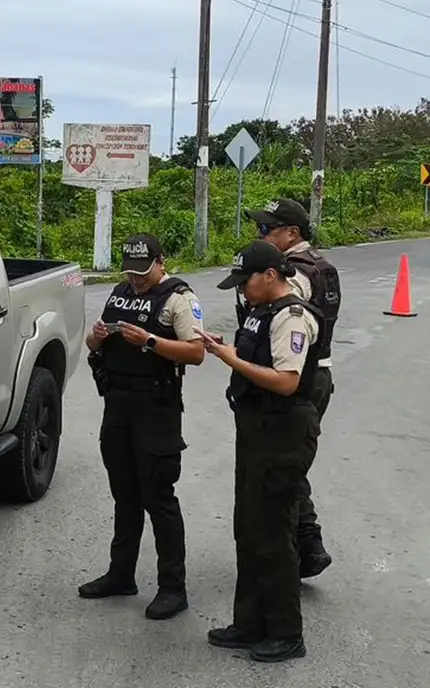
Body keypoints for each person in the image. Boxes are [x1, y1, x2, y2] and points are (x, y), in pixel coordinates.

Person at [201, 240, 321, 663]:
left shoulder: (292, 317)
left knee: (273, 534)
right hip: (256, 427)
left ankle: (287, 633)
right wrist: (227, 349)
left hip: (283, 431)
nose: (241, 290)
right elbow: (257, 357)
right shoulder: (260, 310)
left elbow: (287, 381)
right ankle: (249, 622)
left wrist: (230, 359)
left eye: (245, 281)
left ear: (270, 275)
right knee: (249, 528)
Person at [78, 233, 206, 621]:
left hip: (156, 408)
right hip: (118, 404)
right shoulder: (120, 293)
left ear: (160, 262)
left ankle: (173, 587)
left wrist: (150, 341)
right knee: (125, 494)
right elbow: (92, 344)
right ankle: (121, 574)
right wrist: (98, 337)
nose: (135, 279)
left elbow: (196, 352)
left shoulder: (178, 298)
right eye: (130, 272)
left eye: (142, 272)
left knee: (159, 497)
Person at [244, 198, 341, 579]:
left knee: (281, 467)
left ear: (292, 233)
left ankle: (296, 550)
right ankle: (306, 544)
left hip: (296, 377)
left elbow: (284, 308)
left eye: (268, 229)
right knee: (289, 464)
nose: (261, 235)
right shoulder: (322, 265)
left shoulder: (293, 274)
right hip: (318, 372)